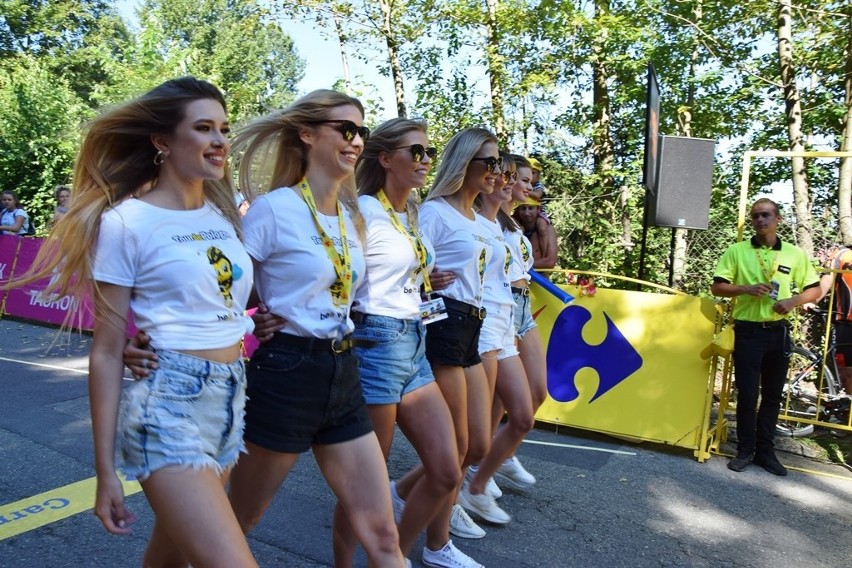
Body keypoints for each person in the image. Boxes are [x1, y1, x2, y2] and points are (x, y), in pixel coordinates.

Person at [8, 77, 259, 567]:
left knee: (169, 561)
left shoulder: (221, 213)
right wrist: (105, 471)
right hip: (168, 407)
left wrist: (256, 323)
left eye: (223, 129)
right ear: (162, 141)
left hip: (230, 401)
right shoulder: (127, 222)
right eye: (203, 128)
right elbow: (104, 350)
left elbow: (222, 300)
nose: (219, 141)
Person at [221, 90, 406, 567]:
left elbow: (333, 284)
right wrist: (253, 315)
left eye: (362, 132)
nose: (356, 141)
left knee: (384, 535)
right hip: (288, 372)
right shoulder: (273, 209)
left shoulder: (349, 215)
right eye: (346, 129)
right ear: (306, 134)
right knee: (237, 524)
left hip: (345, 371)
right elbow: (231, 286)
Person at [332, 118, 461, 566]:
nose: (427, 161)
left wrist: (427, 279)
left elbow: (400, 273)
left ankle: (391, 557)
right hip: (376, 342)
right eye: (417, 152)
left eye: (429, 152)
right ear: (386, 159)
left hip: (415, 340)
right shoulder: (361, 209)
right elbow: (338, 274)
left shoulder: (410, 214)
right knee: (364, 485)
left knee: (447, 469)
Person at [393, 127, 499, 568]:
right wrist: (424, 283)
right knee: (455, 450)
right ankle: (434, 546)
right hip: (444, 325)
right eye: (488, 162)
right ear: (465, 164)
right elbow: (410, 269)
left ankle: (402, 493)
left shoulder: (477, 219)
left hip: (473, 325)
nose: (496, 171)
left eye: (498, 164)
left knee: (476, 446)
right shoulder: (435, 212)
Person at [711, 198, 821, 476]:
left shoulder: (795, 254)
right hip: (748, 331)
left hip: (778, 332)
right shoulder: (737, 251)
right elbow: (718, 287)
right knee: (748, 395)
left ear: (778, 219)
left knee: (772, 396)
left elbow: (814, 289)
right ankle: (745, 450)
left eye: (766, 215)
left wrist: (792, 301)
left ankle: (765, 452)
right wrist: (745, 289)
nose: (760, 220)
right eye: (755, 216)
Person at [460, 153, 535, 526]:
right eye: (504, 175)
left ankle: (473, 482)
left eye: (512, 176)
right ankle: (452, 495)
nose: (510, 182)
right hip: (483, 321)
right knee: (473, 435)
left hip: (508, 317)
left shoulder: (503, 226)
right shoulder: (462, 218)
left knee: (521, 416)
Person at [813, 245, 852, 395]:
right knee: (848, 373)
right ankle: (847, 413)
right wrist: (812, 300)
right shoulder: (843, 254)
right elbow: (828, 278)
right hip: (846, 322)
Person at [513, 194, 558, 269]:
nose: (526, 213)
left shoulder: (548, 229)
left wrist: (519, 266)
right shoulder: (513, 228)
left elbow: (550, 262)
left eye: (531, 208)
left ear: (538, 209)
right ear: (518, 210)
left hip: (539, 277)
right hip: (518, 277)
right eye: (523, 208)